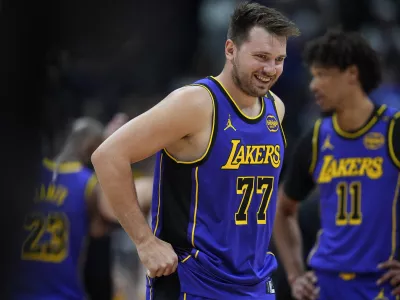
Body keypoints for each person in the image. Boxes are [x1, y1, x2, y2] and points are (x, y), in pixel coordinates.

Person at [91, 2, 300, 299]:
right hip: (195, 281)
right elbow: (108, 155)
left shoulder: (274, 109)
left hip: (255, 281)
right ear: (230, 50)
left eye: (279, 59)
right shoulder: (196, 103)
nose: (270, 69)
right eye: (261, 57)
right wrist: (145, 242)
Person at [273, 30, 400, 300]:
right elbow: (282, 210)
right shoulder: (317, 138)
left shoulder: (393, 130)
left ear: (352, 74)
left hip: (381, 284)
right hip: (326, 283)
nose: (313, 85)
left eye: (322, 75)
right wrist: (295, 275)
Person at [12, 114, 153, 300]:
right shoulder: (88, 185)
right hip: (63, 294)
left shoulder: (29, 175)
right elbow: (105, 223)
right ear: (92, 149)